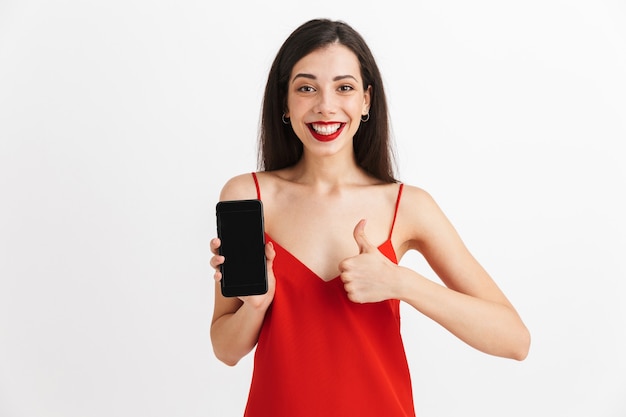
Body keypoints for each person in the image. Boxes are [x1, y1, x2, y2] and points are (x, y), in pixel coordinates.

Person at [210, 18, 530, 417]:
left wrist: (401, 283)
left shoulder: (407, 206)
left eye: (344, 87)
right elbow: (225, 350)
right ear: (284, 103)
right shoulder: (248, 198)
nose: (325, 105)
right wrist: (256, 307)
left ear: (366, 100)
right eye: (306, 88)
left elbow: (515, 340)